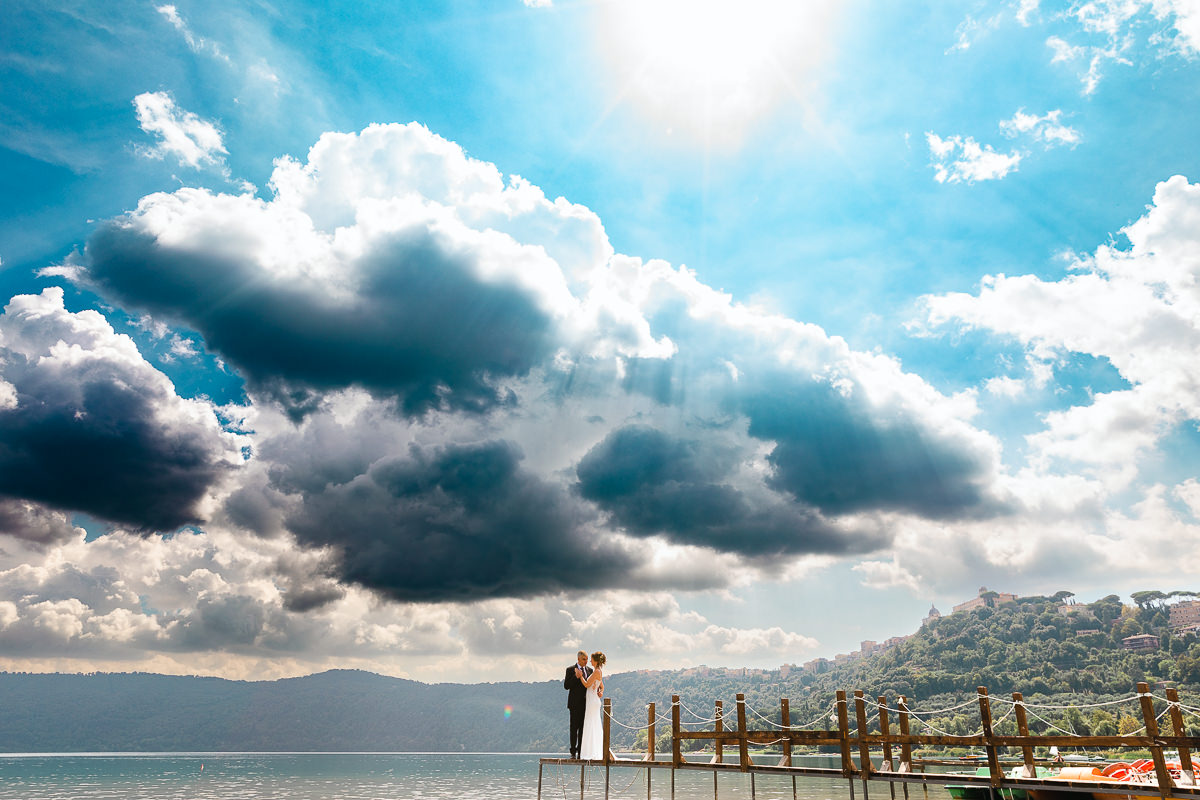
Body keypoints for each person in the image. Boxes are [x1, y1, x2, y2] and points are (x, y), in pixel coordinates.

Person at [578, 651, 606, 760]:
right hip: (593, 700)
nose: (590, 661)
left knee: (591, 724)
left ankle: (590, 752)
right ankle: (594, 750)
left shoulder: (596, 672)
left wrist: (580, 676)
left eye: (591, 659)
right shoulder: (598, 672)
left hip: (592, 701)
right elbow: (602, 686)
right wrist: (601, 692)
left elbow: (586, 684)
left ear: (595, 661)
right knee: (594, 724)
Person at [563, 650, 591, 759]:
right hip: (574, 705)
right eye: (584, 659)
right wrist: (576, 676)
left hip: (586, 704)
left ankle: (581, 751)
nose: (586, 661)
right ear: (578, 659)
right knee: (574, 728)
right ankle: (573, 751)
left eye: (587, 659)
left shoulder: (590, 670)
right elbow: (566, 686)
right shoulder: (570, 670)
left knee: (583, 729)